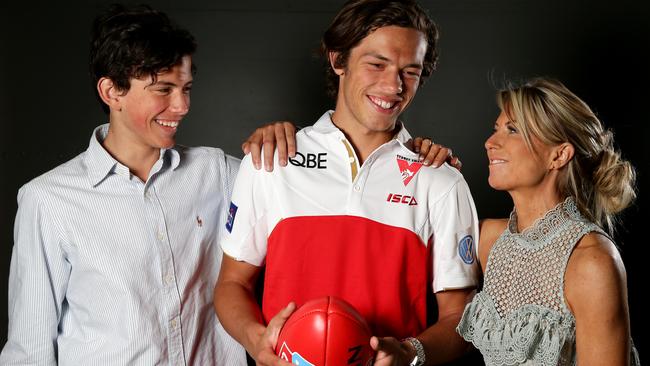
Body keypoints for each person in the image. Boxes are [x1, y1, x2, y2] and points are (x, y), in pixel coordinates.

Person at [0, 4, 299, 365]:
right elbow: (29, 349)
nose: (183, 105)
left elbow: (303, 198)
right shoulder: (47, 200)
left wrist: (283, 142)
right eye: (164, 89)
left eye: (186, 88)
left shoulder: (217, 172)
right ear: (112, 92)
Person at [214, 1, 480, 365]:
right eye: (377, 64)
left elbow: (459, 316)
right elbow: (232, 285)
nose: (393, 86)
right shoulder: (271, 160)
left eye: (410, 71)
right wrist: (257, 340)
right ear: (338, 60)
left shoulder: (441, 180)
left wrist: (411, 353)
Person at [456, 78, 640, 365]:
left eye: (512, 130)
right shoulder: (488, 239)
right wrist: (424, 164)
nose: (490, 143)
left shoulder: (592, 261)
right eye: (496, 129)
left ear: (559, 155)